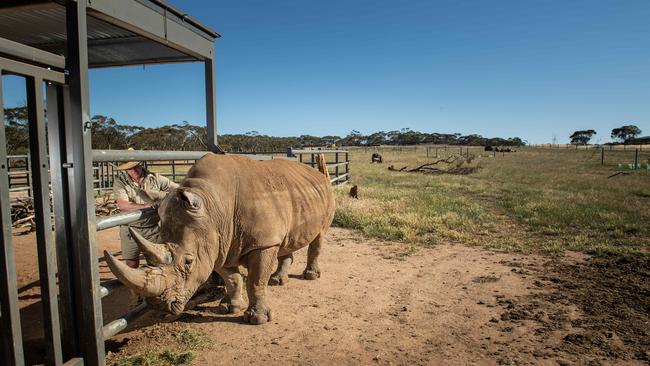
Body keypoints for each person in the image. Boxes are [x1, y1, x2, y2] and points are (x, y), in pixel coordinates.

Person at [113, 156, 178, 269]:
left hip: (152, 227)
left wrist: (164, 200)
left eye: (135, 167)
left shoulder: (155, 178)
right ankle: (133, 286)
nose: (134, 171)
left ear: (140, 164)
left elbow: (177, 189)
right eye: (129, 168)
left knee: (158, 260)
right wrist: (146, 206)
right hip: (130, 228)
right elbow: (123, 205)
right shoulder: (120, 181)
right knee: (131, 263)